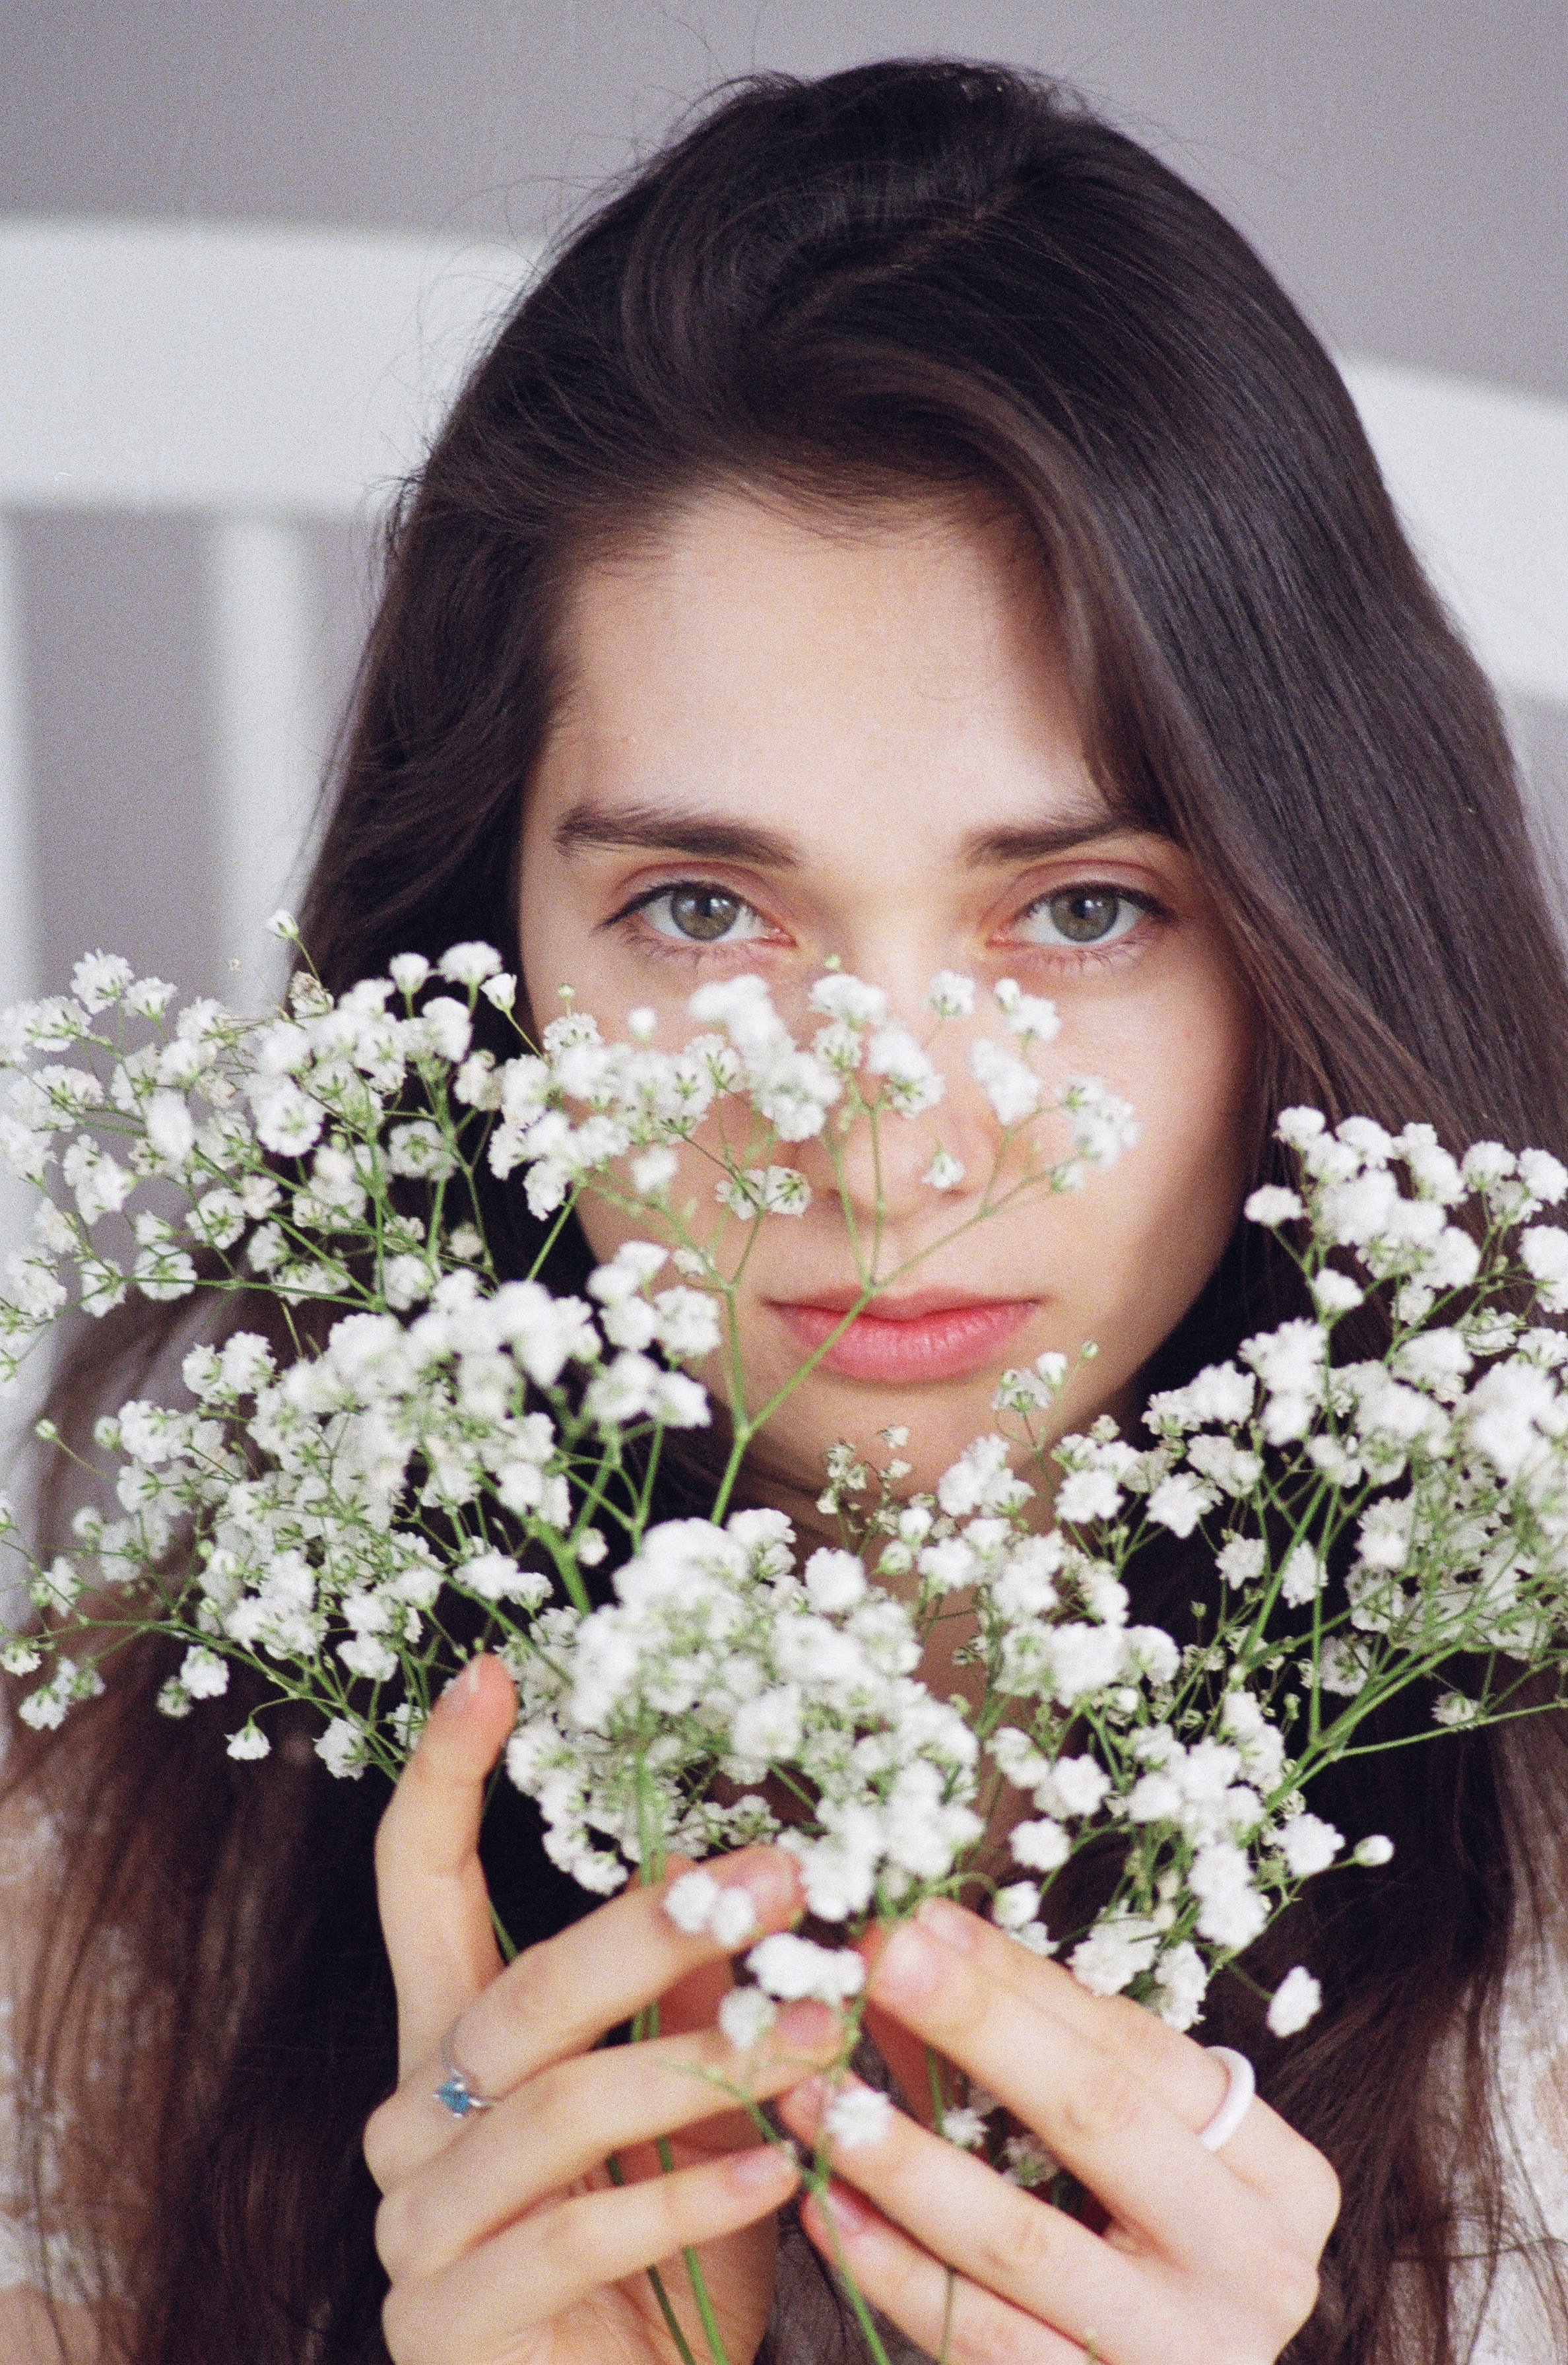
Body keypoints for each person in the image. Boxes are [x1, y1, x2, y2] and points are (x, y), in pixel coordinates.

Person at [3, 55, 1567, 2365]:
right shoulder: (112, 1932)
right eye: (705, 907)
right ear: (486, 955)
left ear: (1306, 934)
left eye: (1089, 912)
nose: (884, 1145)